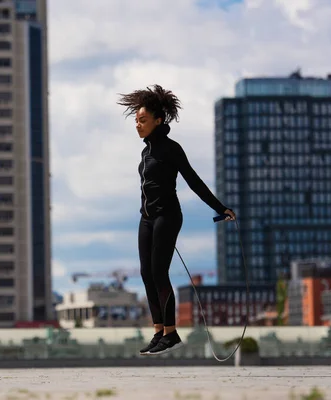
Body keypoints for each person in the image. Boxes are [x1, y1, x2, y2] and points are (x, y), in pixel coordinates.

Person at [117, 85, 236, 356]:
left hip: (168, 217)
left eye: (143, 120)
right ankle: (159, 331)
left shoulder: (171, 149)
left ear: (158, 120)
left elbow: (193, 181)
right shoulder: (145, 152)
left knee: (159, 272)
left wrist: (220, 207)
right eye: (136, 120)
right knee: (146, 274)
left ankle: (171, 333)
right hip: (146, 219)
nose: (137, 125)